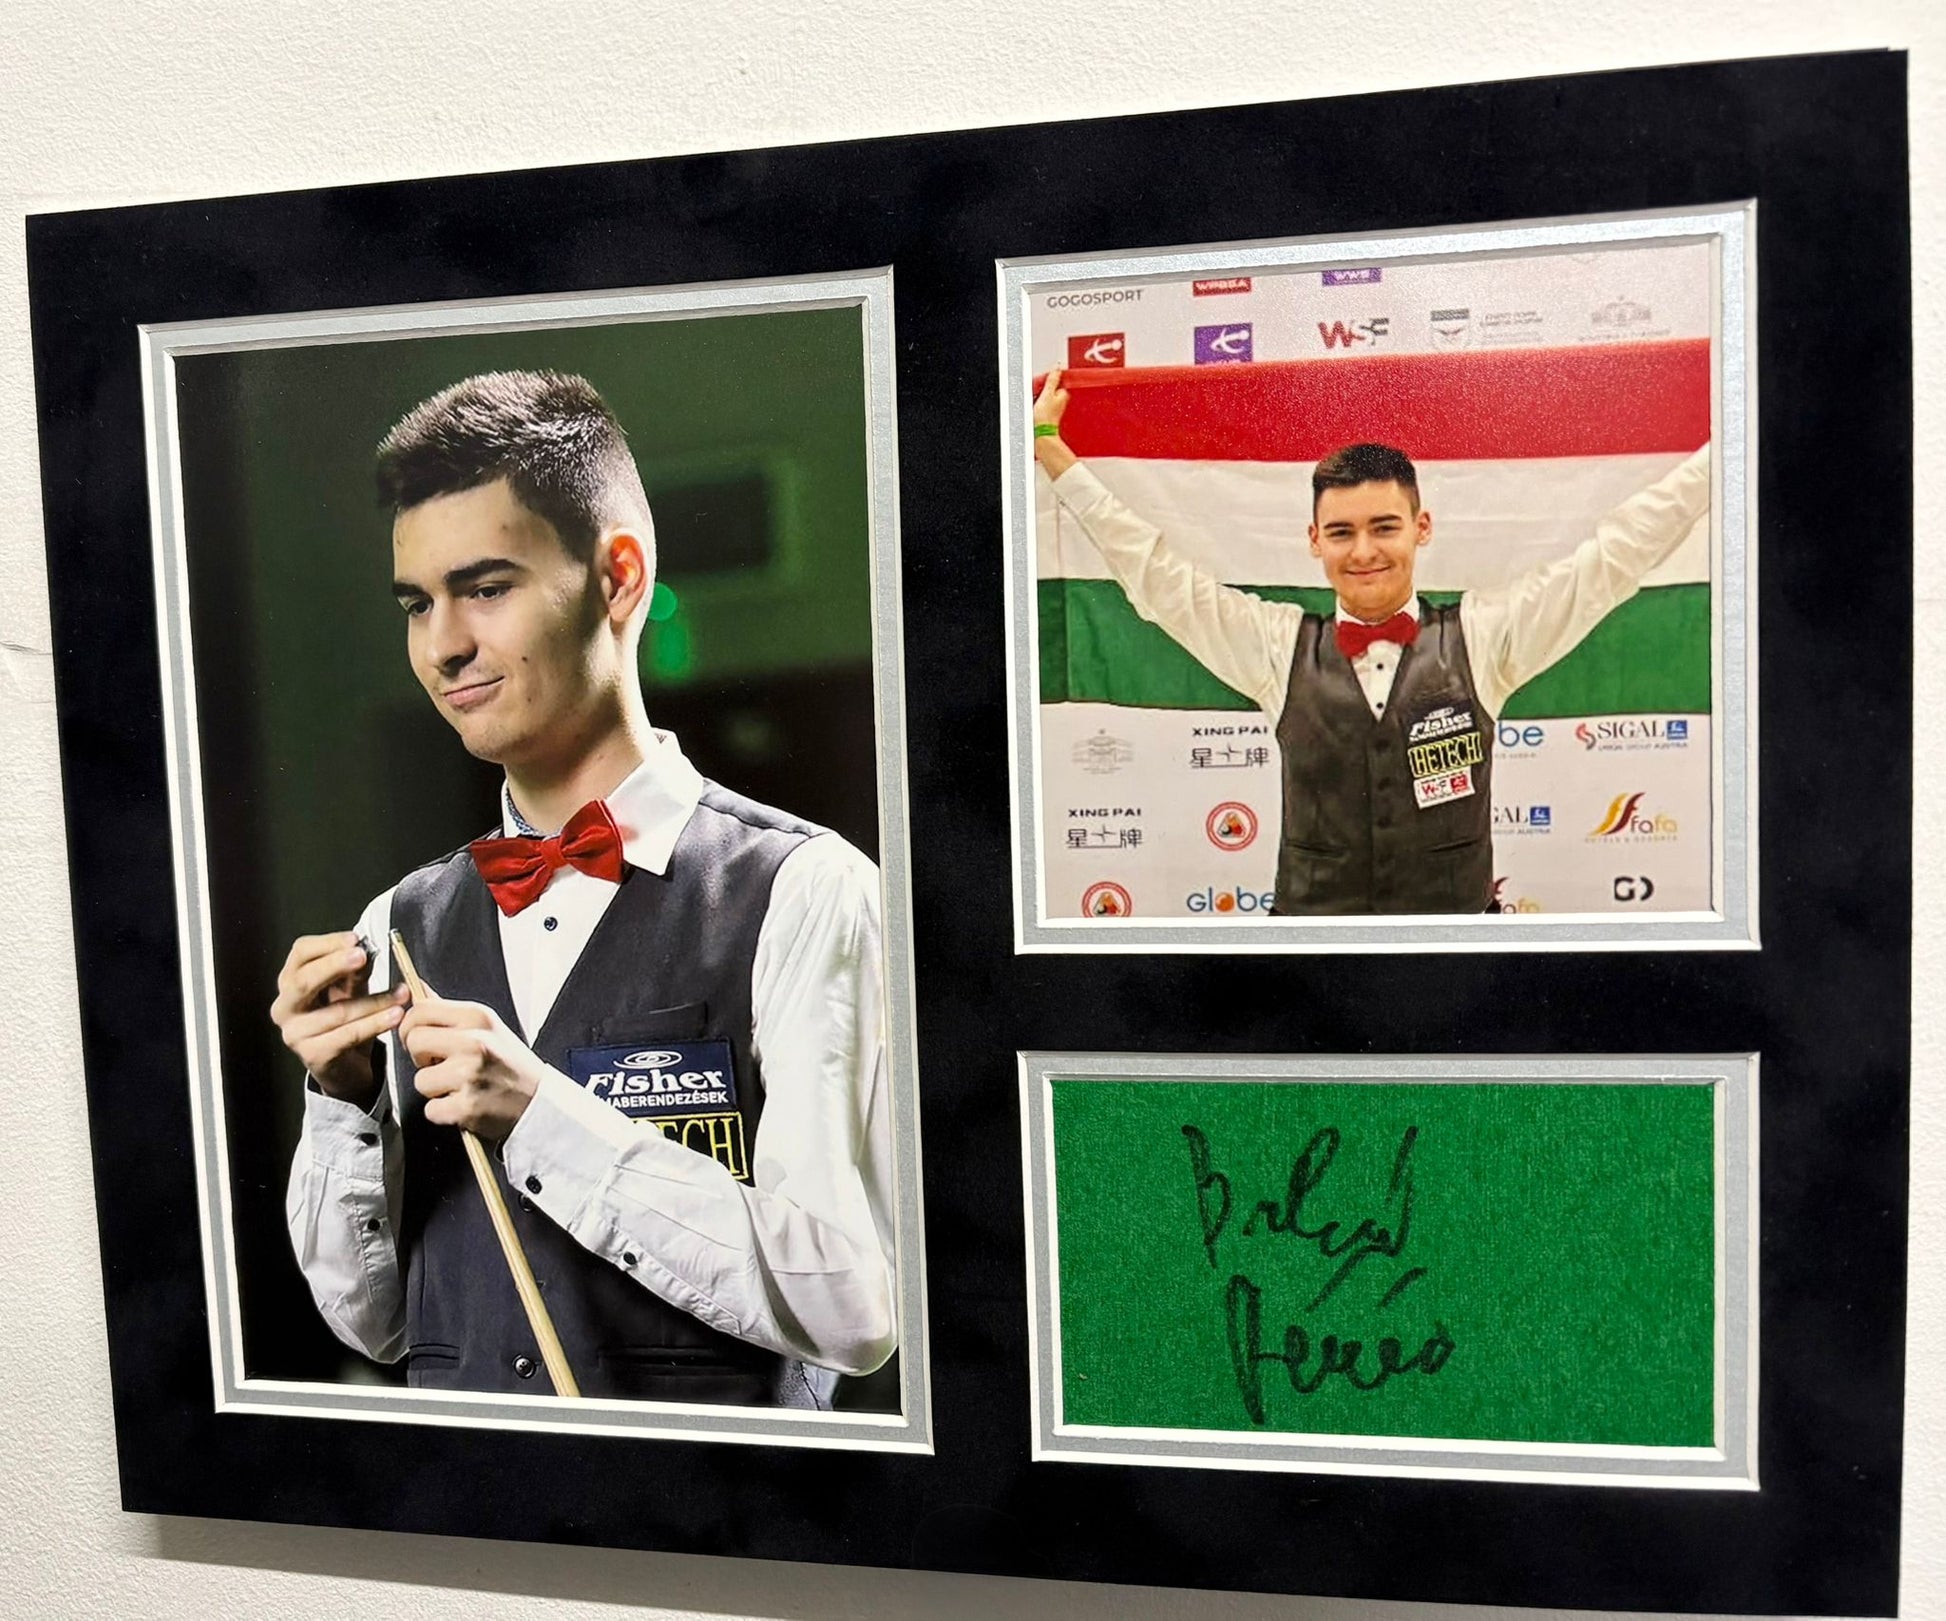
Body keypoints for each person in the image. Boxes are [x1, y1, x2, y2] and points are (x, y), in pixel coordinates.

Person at [272, 370, 896, 1407]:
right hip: (463, 1503)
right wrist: (343, 1101)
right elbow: (377, 1325)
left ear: (617, 578)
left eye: (486, 588)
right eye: (418, 604)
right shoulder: (399, 925)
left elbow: (853, 1307)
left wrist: (540, 1117)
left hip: (715, 1511)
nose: (443, 645)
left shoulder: (806, 891)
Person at [1031, 366, 1713, 915]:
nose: (1364, 551)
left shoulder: (1486, 636)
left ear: (1422, 527)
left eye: (1384, 527)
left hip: (1456, 956)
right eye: (1341, 532)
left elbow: (1615, 555)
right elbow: (1155, 575)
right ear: (1314, 541)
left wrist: (1726, 450)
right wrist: (1052, 451)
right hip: (1311, 957)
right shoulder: (1274, 646)